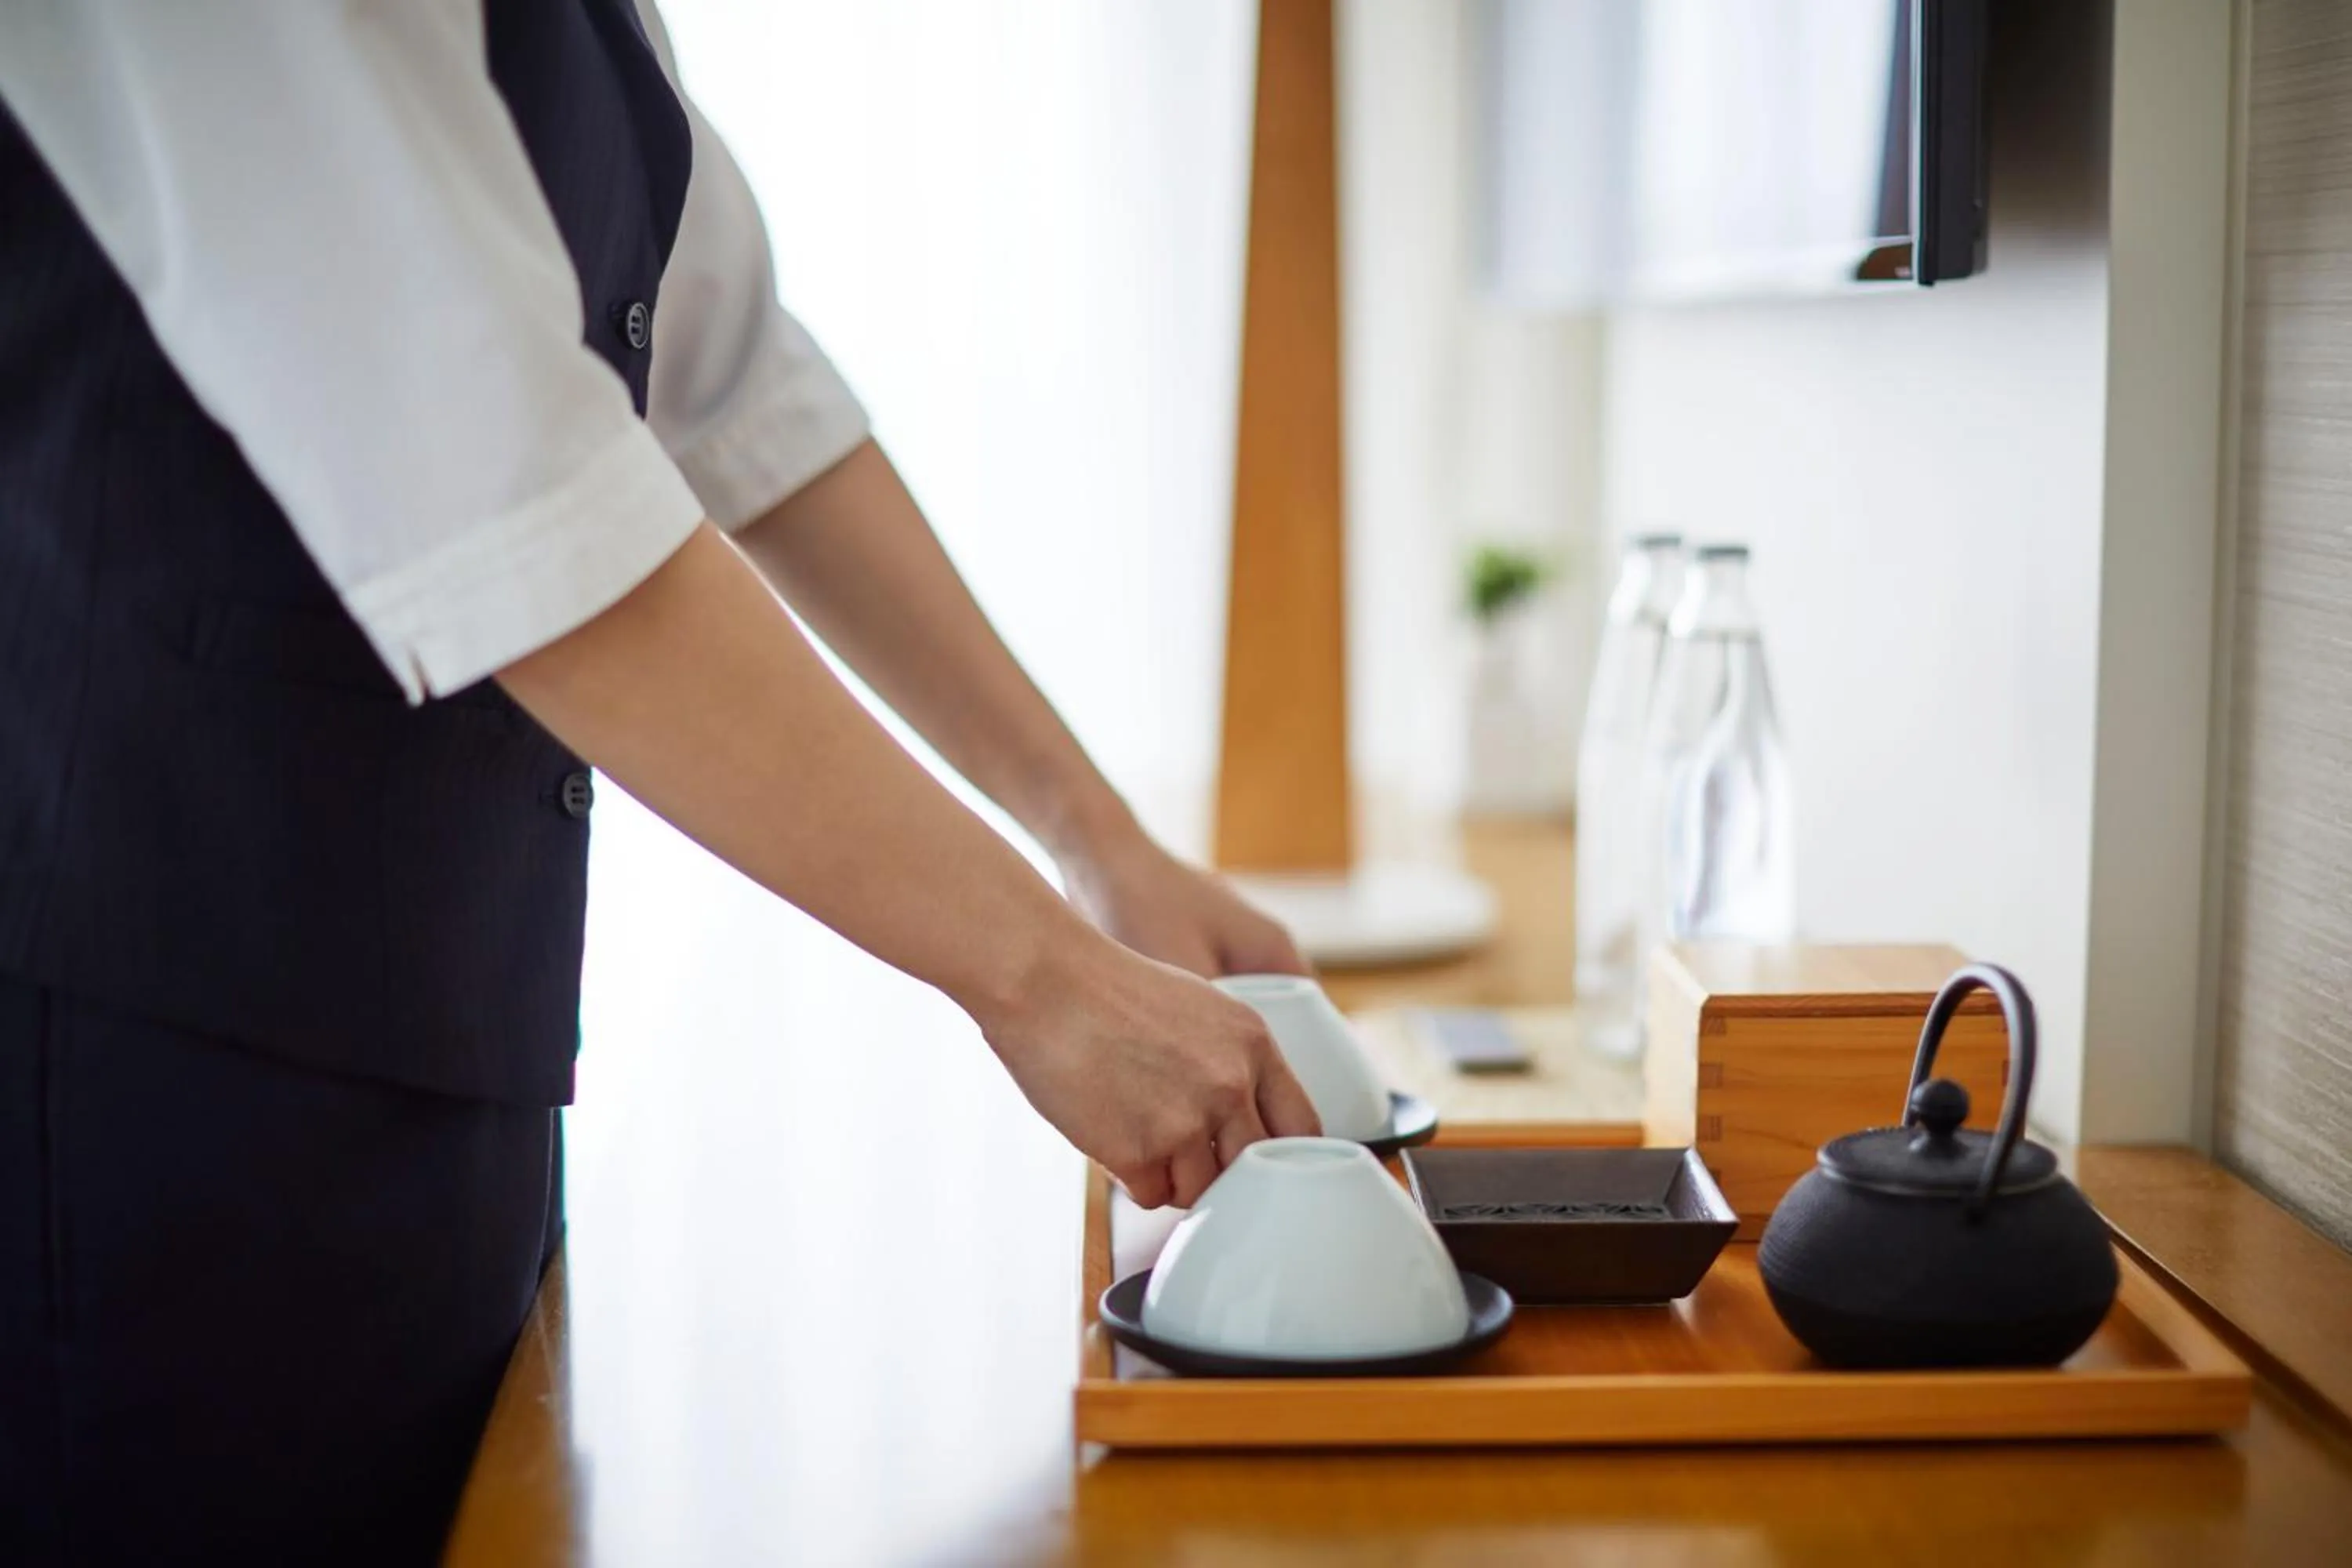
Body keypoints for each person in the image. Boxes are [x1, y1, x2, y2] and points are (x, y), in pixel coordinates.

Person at [0, 3, 1319, 1560]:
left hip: (433, 1041)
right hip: (151, 1053)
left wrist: (1098, 847)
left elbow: (734, 390)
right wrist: (1041, 975)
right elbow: (507, 491)